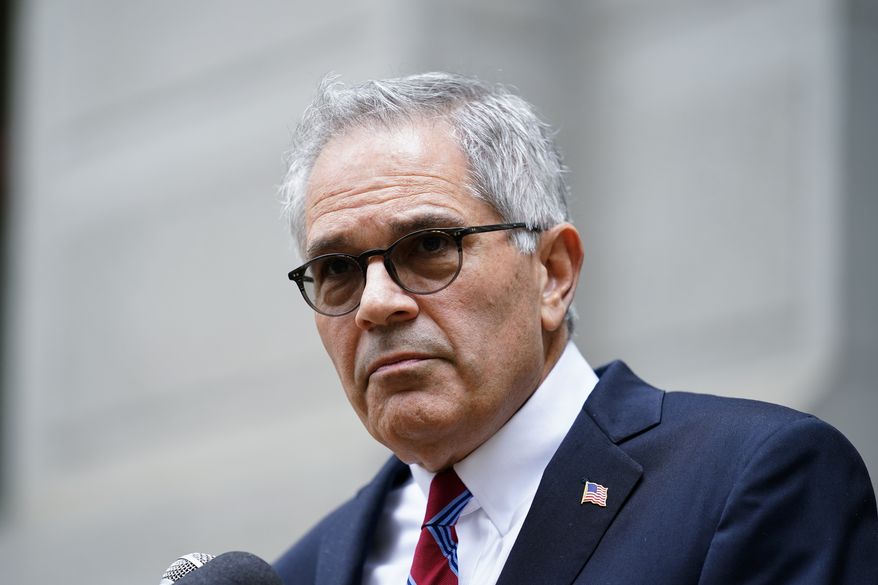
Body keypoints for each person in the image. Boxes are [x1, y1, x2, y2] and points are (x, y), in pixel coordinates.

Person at [273, 72, 878, 584]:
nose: (375, 304)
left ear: (552, 274)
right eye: (335, 269)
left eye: (431, 244)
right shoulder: (304, 571)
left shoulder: (750, 483)